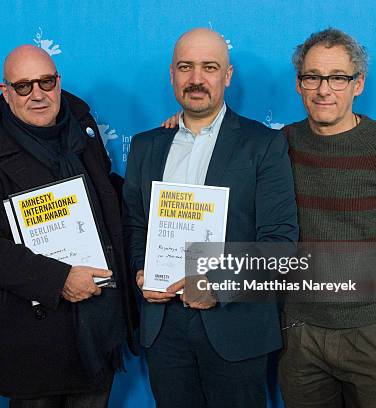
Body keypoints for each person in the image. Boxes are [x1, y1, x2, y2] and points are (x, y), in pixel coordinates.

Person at [0, 45, 137, 408]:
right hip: (34, 346)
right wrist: (60, 279)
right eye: (23, 86)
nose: (37, 94)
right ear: (5, 93)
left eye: (46, 82)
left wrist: (162, 158)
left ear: (58, 82)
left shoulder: (83, 136)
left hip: (97, 333)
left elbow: (108, 200)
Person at [123, 28, 298, 408]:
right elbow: (136, 225)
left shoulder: (264, 145)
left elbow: (279, 242)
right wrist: (142, 269)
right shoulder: (145, 145)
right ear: (172, 74)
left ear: (227, 76)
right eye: (186, 67)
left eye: (209, 67)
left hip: (235, 327)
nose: (197, 79)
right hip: (163, 327)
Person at [277, 28, 376, 408]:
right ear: (299, 84)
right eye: (312, 76)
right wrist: (184, 126)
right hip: (301, 335)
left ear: (358, 84)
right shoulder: (278, 146)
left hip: (374, 336)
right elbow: (226, 151)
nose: (323, 89)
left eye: (338, 78)